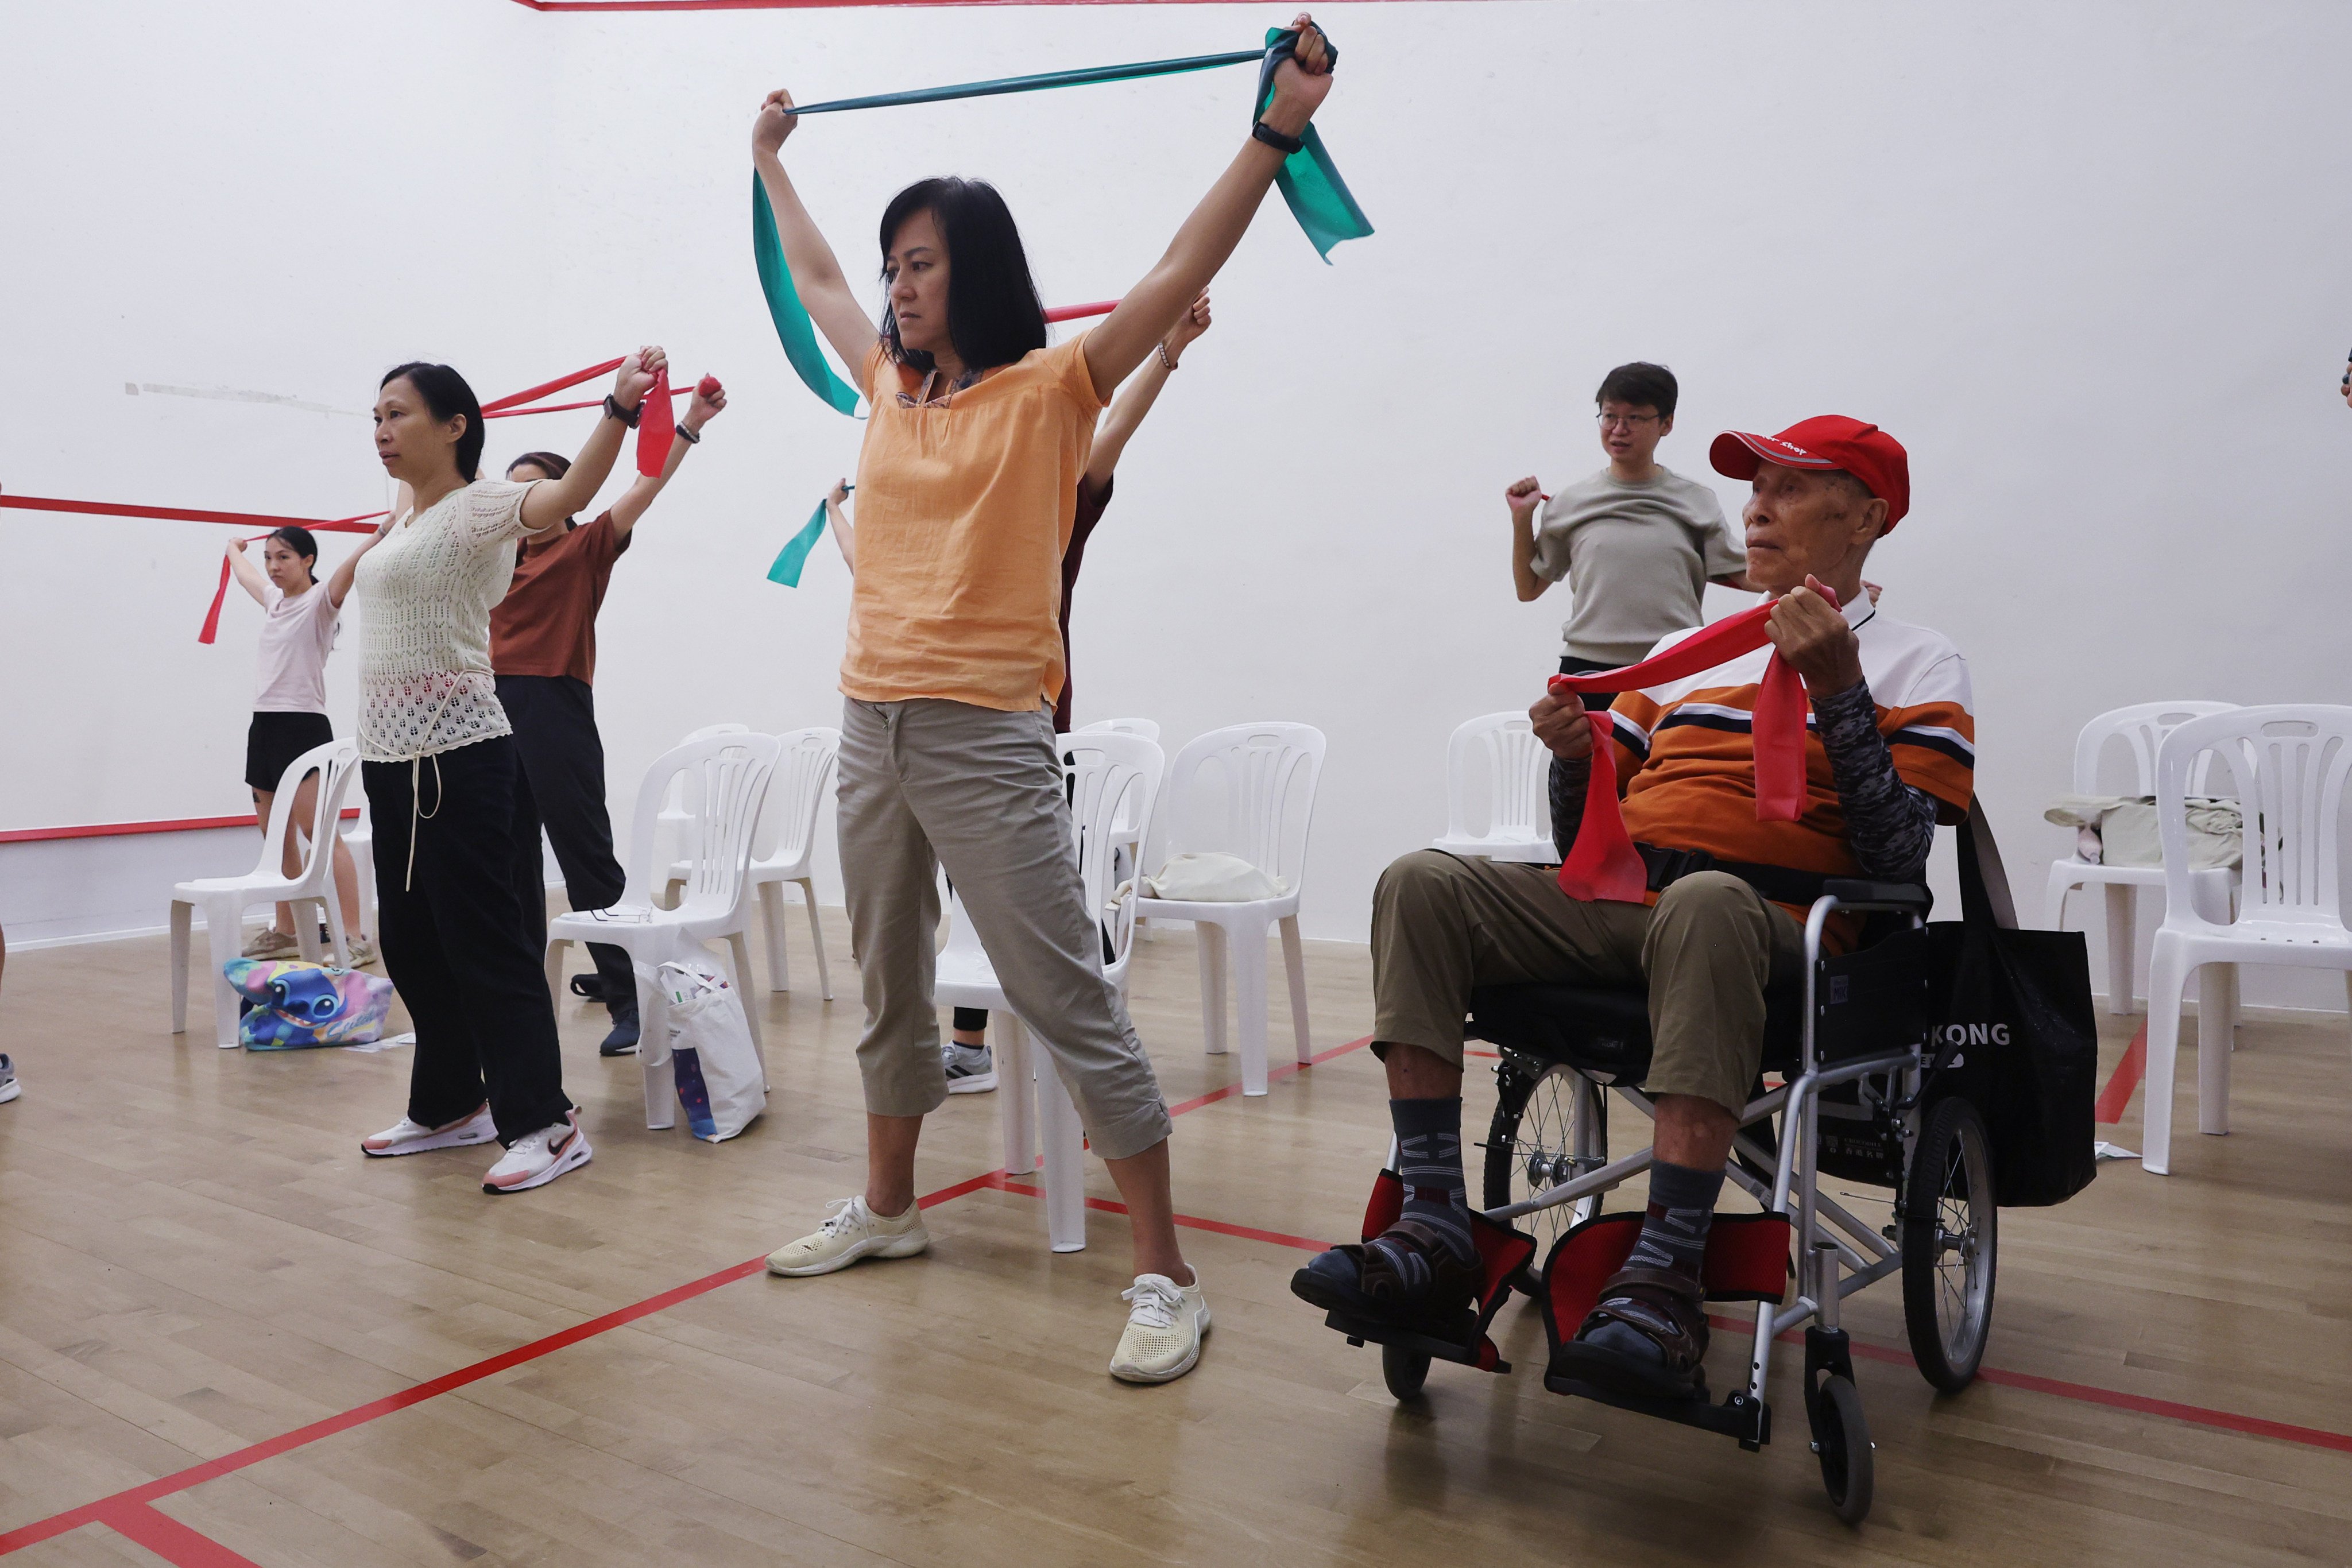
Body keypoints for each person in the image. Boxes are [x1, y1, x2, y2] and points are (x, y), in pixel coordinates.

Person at [748, 14, 1336, 1384]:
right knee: (887, 987)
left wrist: (1278, 127)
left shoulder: (1052, 391)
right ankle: (892, 1208)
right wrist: (770, 161)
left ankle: (1165, 1274)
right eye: (894, 264)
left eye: (921, 262)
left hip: (985, 735)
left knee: (1064, 993)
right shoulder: (889, 394)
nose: (894, 286)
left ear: (977, 271)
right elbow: (817, 270)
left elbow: (1179, 263)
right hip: (867, 726)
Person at [1296, 416, 1974, 1402]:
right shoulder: (1687, 651)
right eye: (1755, 487)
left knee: (1703, 902)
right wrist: (1576, 762)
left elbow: (1903, 855)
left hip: (1781, 930)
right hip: (1634, 902)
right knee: (1421, 881)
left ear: (1867, 516)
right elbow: (1588, 839)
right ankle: (1434, 1225)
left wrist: (1839, 693)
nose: (1757, 505)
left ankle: (1663, 1280)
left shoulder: (1918, 662)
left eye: (1791, 486)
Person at [825, 294, 1217, 1094]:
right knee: (938, 899)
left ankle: (1041, 1037)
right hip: (914, 723)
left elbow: (1109, 431)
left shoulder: (1052, 491)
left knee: (1022, 914)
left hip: (1016, 727)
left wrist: (1167, 353)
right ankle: (971, 1044)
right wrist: (838, 511)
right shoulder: (934, 483)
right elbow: (870, 566)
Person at [342, 350, 667, 1195]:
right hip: (391, 760)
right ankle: (452, 1103)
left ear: (455, 427)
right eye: (375, 416)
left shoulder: (480, 507)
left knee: (489, 945)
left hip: (462, 756)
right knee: (411, 943)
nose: (382, 429)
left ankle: (546, 1123)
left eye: (399, 413)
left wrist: (617, 408)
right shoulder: (402, 523)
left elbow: (569, 498)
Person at [494, 377, 730, 1058]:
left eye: (532, 490)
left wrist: (688, 422)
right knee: (509, 867)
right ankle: (519, 1005)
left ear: (563, 498)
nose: (521, 503)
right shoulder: (494, 565)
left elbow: (644, 486)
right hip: (492, 716)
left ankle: (629, 1000)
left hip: (554, 709)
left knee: (585, 862)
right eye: (513, 493)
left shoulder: (584, 547)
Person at [1507, 362, 1753, 708]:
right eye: (1609, 416)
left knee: (1676, 764)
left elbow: (1748, 575)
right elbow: (1528, 589)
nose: (1619, 430)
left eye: (1635, 418)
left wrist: (1835, 589)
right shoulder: (1570, 503)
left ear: (1666, 423)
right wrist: (1522, 519)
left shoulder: (1696, 500)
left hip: (1673, 666)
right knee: (1584, 764)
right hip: (1588, 671)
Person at [224, 526, 373, 965]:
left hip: (303, 728)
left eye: (284, 557)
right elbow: (247, 576)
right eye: (270, 557)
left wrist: (385, 528)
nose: (273, 566)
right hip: (265, 727)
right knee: (276, 838)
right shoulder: (274, 601)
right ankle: (286, 930)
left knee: (321, 837)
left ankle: (355, 934)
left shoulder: (322, 602)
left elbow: (353, 564)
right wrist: (233, 549)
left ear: (308, 560)